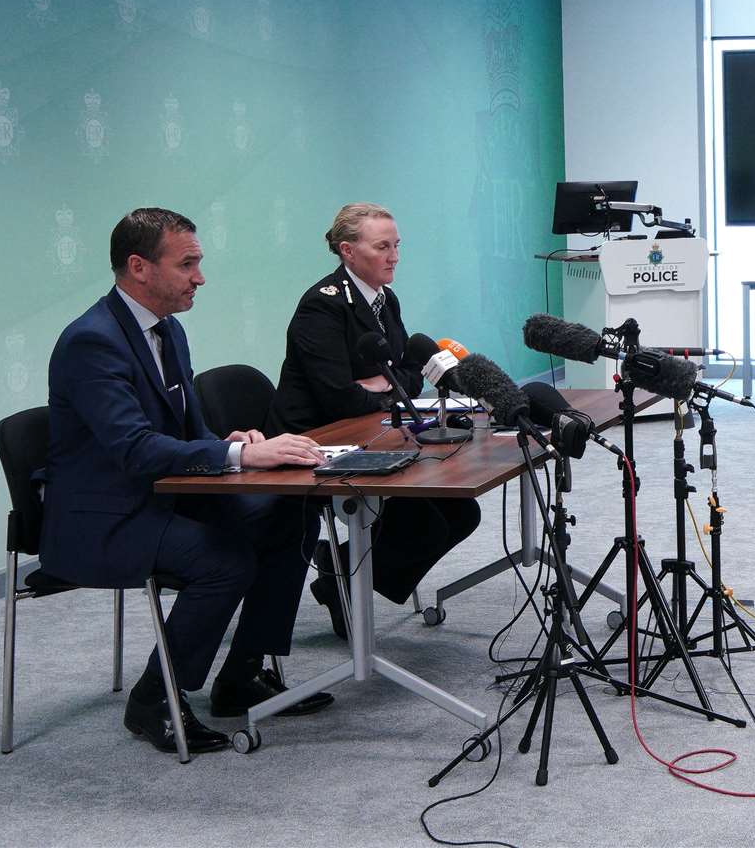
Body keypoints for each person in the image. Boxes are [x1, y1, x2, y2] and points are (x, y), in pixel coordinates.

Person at [44, 208, 333, 756]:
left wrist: (233, 440)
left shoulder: (167, 330)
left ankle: (241, 675)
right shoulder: (92, 341)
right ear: (139, 268)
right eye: (188, 264)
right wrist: (240, 454)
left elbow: (184, 431)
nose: (200, 277)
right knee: (224, 561)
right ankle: (154, 700)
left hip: (165, 494)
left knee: (290, 513)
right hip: (106, 515)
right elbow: (133, 448)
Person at [274, 202, 480, 639]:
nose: (394, 256)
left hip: (371, 434)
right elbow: (338, 399)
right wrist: (381, 388)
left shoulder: (385, 299)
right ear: (348, 251)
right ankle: (344, 580)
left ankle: (343, 573)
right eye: (382, 246)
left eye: (397, 245)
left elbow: (409, 377)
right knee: (424, 520)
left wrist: (378, 386)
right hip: (314, 442)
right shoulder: (321, 306)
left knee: (461, 512)